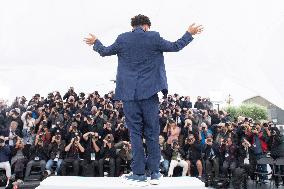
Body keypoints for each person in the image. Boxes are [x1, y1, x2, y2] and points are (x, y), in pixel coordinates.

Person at [84, 14, 203, 184]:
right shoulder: (153, 37)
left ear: (133, 26)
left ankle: (138, 174)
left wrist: (96, 42)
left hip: (129, 95)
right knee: (152, 134)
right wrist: (189, 33)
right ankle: (154, 173)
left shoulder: (123, 39)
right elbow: (176, 46)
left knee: (135, 134)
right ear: (147, 26)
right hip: (149, 94)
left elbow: (104, 51)